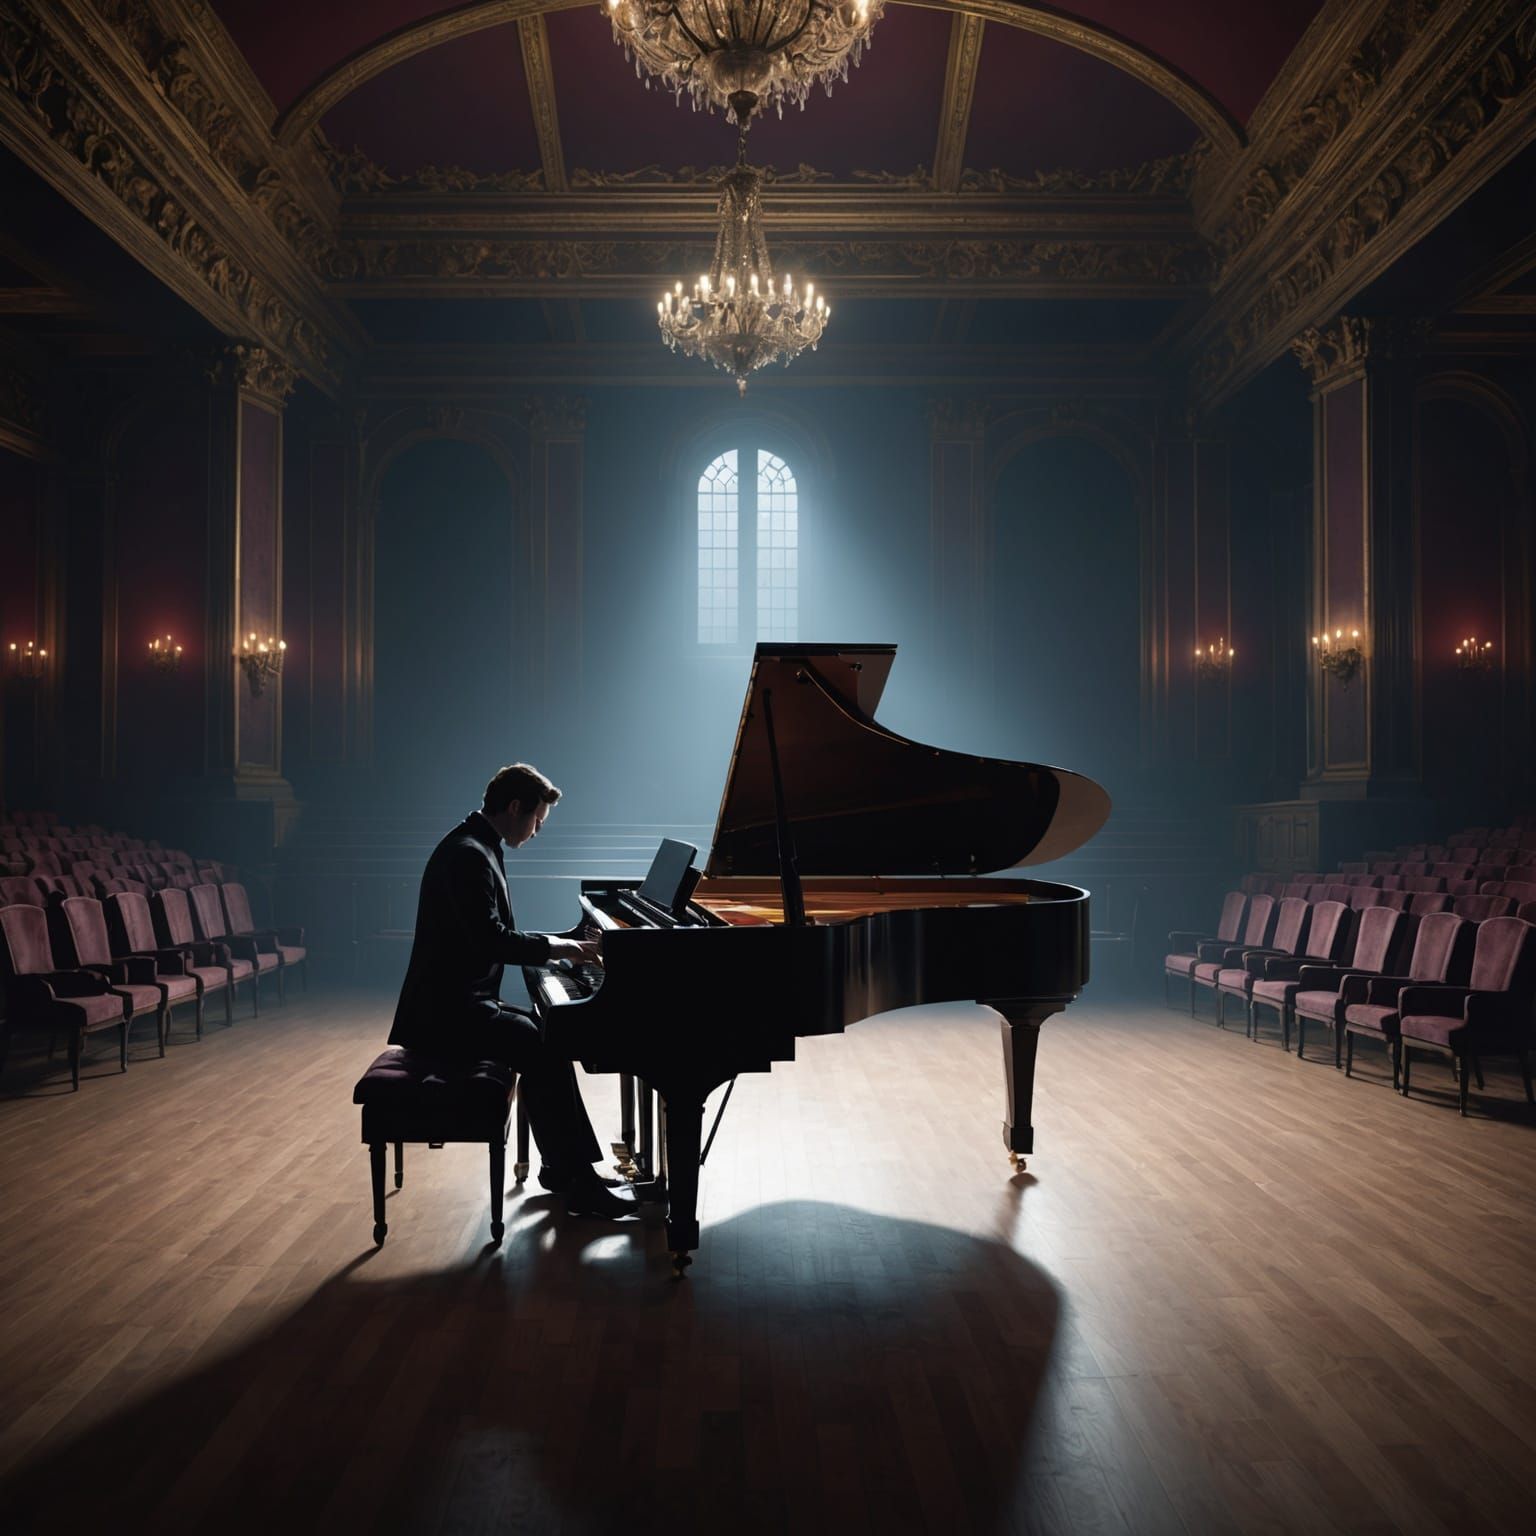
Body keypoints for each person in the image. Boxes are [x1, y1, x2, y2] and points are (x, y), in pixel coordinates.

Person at [389, 762, 637, 1218]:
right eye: (537, 820)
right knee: (537, 1041)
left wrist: (562, 949)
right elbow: (491, 939)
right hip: (443, 1016)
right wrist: (565, 949)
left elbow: (491, 933)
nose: (538, 831)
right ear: (516, 807)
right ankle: (576, 1178)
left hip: (458, 1003)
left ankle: (564, 1169)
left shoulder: (476, 844)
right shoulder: (469, 854)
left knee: (543, 1032)